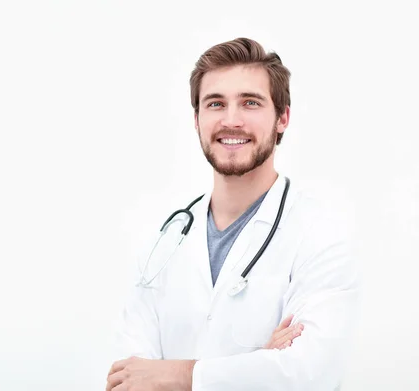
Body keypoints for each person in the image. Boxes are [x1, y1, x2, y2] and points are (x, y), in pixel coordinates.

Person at [106, 37, 361, 391]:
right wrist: (260, 366)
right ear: (197, 119)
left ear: (282, 117)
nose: (231, 120)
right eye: (215, 103)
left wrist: (176, 375)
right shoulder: (163, 240)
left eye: (250, 103)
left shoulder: (319, 233)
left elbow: (309, 375)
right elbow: (126, 380)